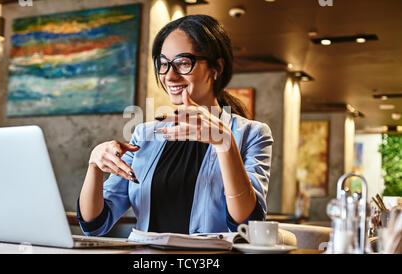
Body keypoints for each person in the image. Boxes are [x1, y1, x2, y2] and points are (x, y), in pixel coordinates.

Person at [77, 14, 273, 235]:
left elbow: (246, 226)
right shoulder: (144, 135)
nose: (169, 76)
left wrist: (223, 143)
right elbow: (94, 225)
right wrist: (94, 166)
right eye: (163, 64)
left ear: (215, 68)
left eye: (182, 63)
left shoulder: (252, 134)